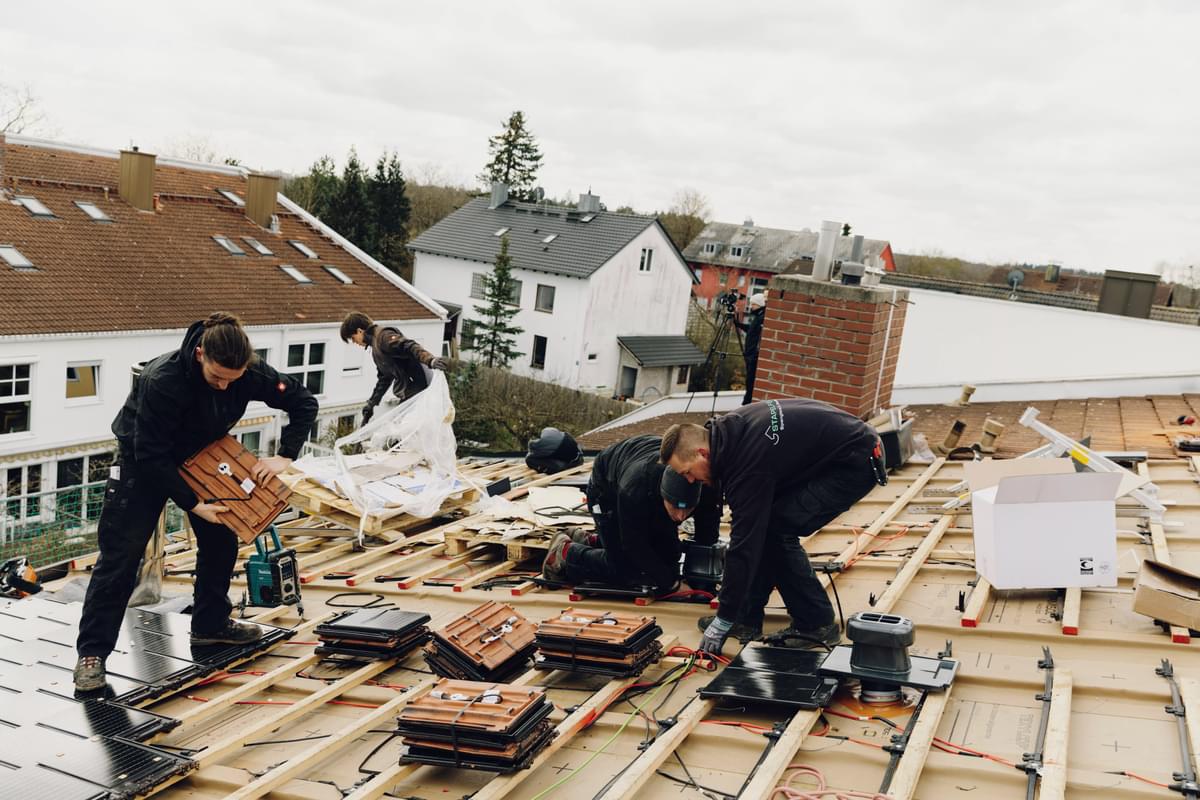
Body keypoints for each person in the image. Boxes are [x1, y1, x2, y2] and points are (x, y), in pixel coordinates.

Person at [73, 313, 319, 692]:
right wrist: (192, 502)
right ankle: (92, 654)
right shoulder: (164, 380)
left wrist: (286, 454)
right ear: (200, 354)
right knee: (121, 556)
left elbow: (303, 402)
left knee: (222, 539)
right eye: (217, 377)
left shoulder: (250, 371)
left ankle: (211, 625)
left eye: (232, 381)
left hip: (204, 455)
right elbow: (151, 453)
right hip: (145, 460)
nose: (224, 386)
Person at [660, 399, 886, 654]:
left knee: (776, 532)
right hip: (835, 452)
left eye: (687, 472)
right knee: (766, 528)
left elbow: (744, 545)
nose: (691, 480)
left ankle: (816, 623)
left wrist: (723, 616)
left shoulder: (748, 465)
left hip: (853, 464)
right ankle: (744, 618)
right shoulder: (728, 433)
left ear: (703, 453)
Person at [541, 434, 719, 592]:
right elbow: (634, 544)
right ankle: (564, 555)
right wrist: (673, 585)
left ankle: (592, 540)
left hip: (639, 472)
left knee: (669, 557)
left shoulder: (705, 484)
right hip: (607, 486)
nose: (681, 516)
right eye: (675, 508)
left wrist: (704, 571)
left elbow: (708, 532)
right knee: (627, 569)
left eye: (688, 509)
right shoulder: (635, 490)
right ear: (663, 495)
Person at [339, 311, 450, 424]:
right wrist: (371, 404)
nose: (354, 342)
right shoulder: (376, 348)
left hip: (420, 387)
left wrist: (430, 360)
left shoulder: (383, 337)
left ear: (359, 331)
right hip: (409, 391)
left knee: (401, 430)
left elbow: (409, 346)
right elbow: (384, 378)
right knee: (398, 430)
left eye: (353, 338)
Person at [735, 293, 766, 405]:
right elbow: (752, 330)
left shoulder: (762, 317)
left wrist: (752, 355)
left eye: (753, 304)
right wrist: (738, 324)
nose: (751, 307)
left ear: (758, 304)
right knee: (749, 381)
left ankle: (746, 404)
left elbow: (756, 334)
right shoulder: (759, 317)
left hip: (753, 356)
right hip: (751, 354)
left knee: (750, 381)